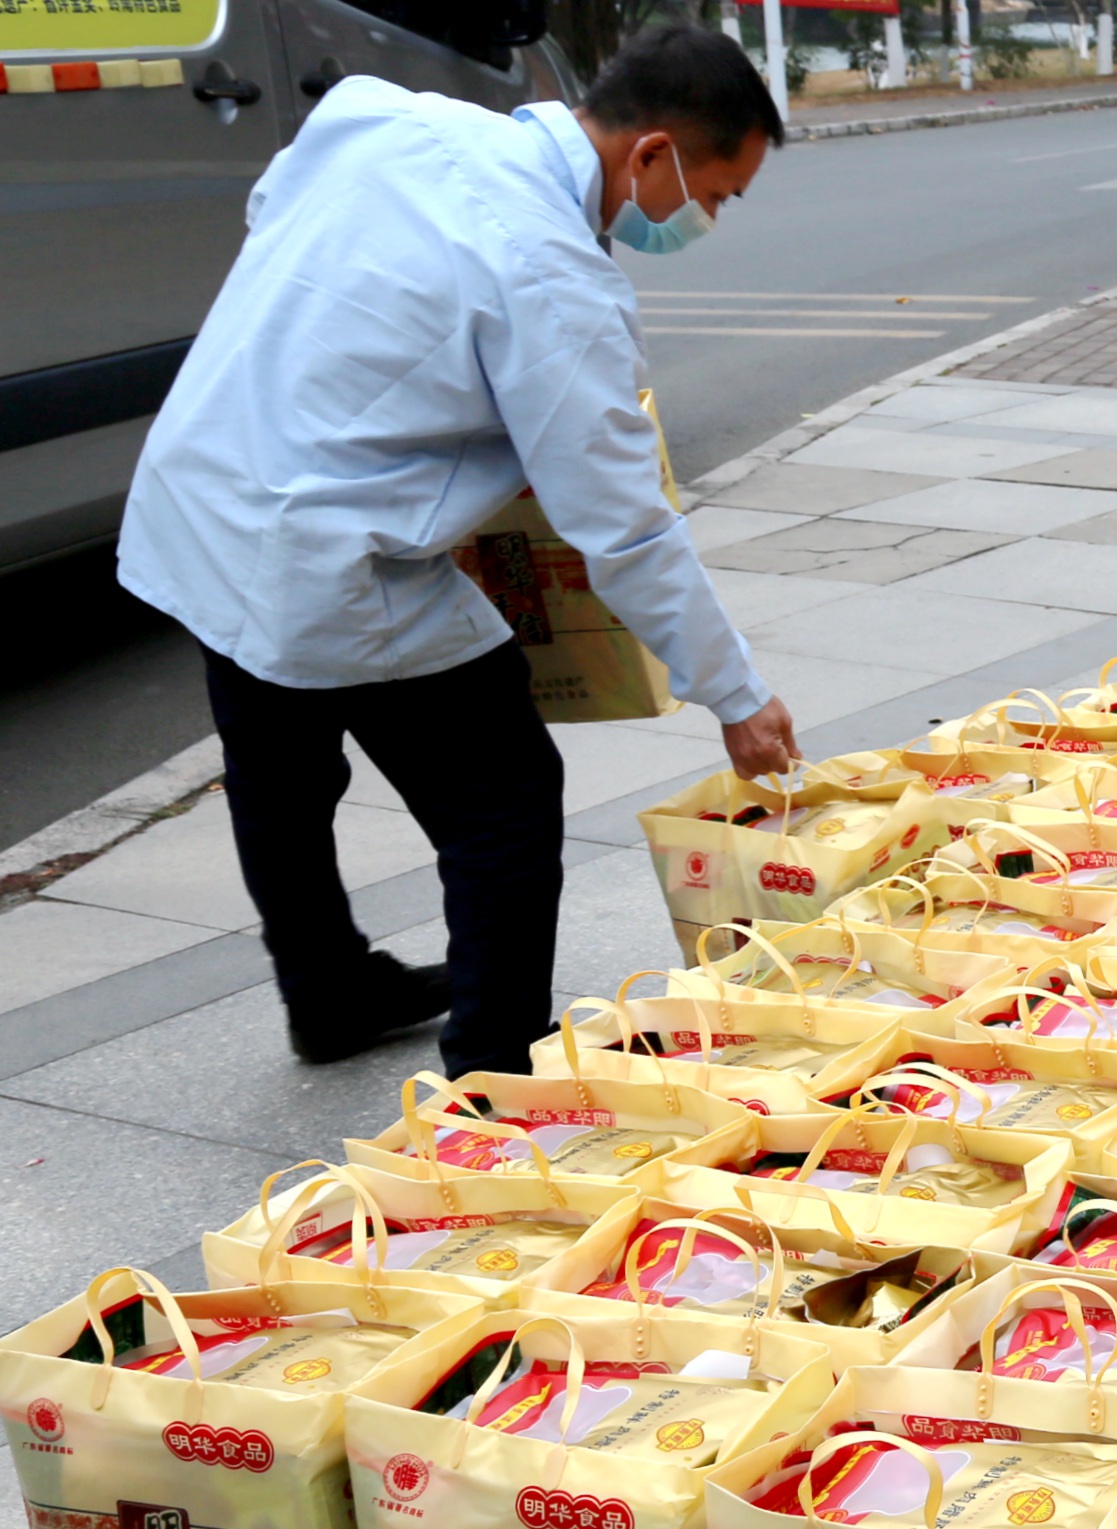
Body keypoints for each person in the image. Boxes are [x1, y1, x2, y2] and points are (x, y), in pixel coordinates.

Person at [117, 22, 798, 1077]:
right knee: (504, 800)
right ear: (653, 153)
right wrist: (738, 696)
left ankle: (328, 993)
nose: (703, 216)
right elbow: (624, 527)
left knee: (278, 773)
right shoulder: (554, 278)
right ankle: (491, 1072)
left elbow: (275, 205)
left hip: (202, 489)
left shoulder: (392, 118)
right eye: (715, 193)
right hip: (326, 552)